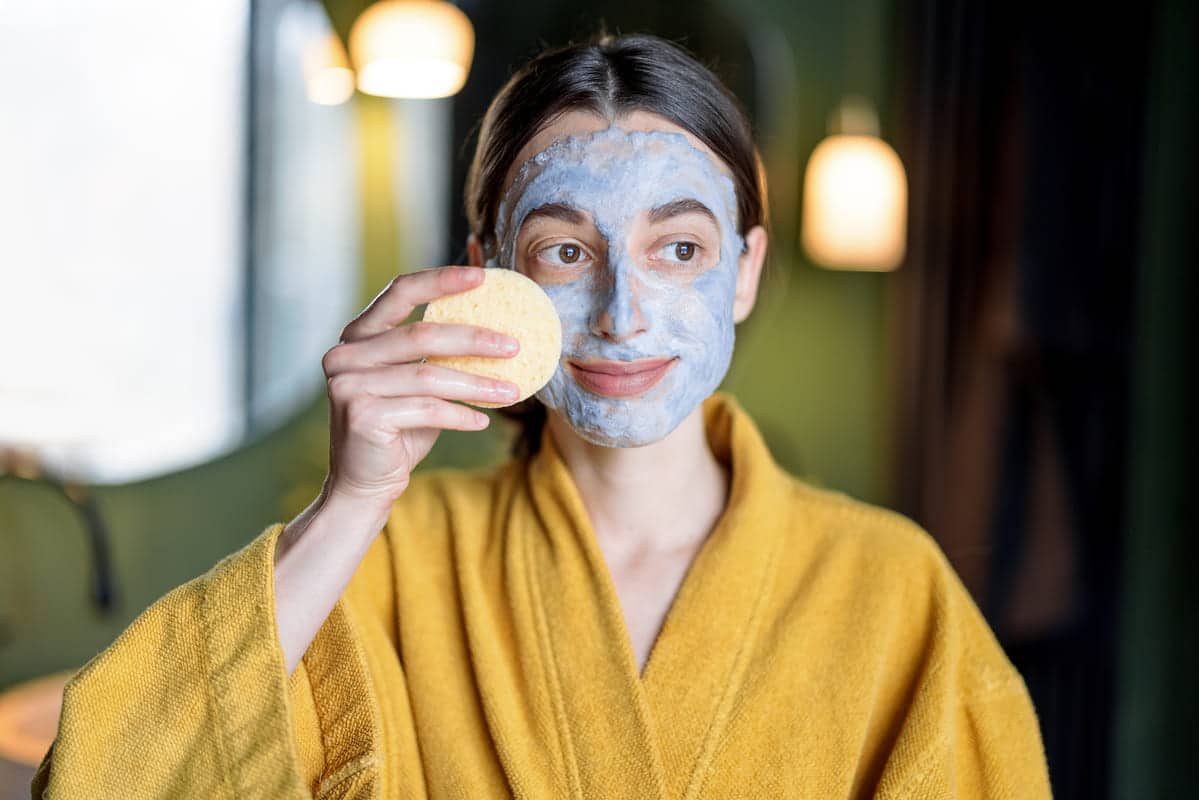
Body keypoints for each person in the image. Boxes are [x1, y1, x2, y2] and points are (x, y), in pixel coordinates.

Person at [32, 33, 1052, 800]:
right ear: (489, 274)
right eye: (565, 251)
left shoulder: (892, 588)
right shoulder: (385, 563)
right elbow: (101, 777)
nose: (620, 311)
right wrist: (350, 504)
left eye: (680, 249)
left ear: (744, 270)